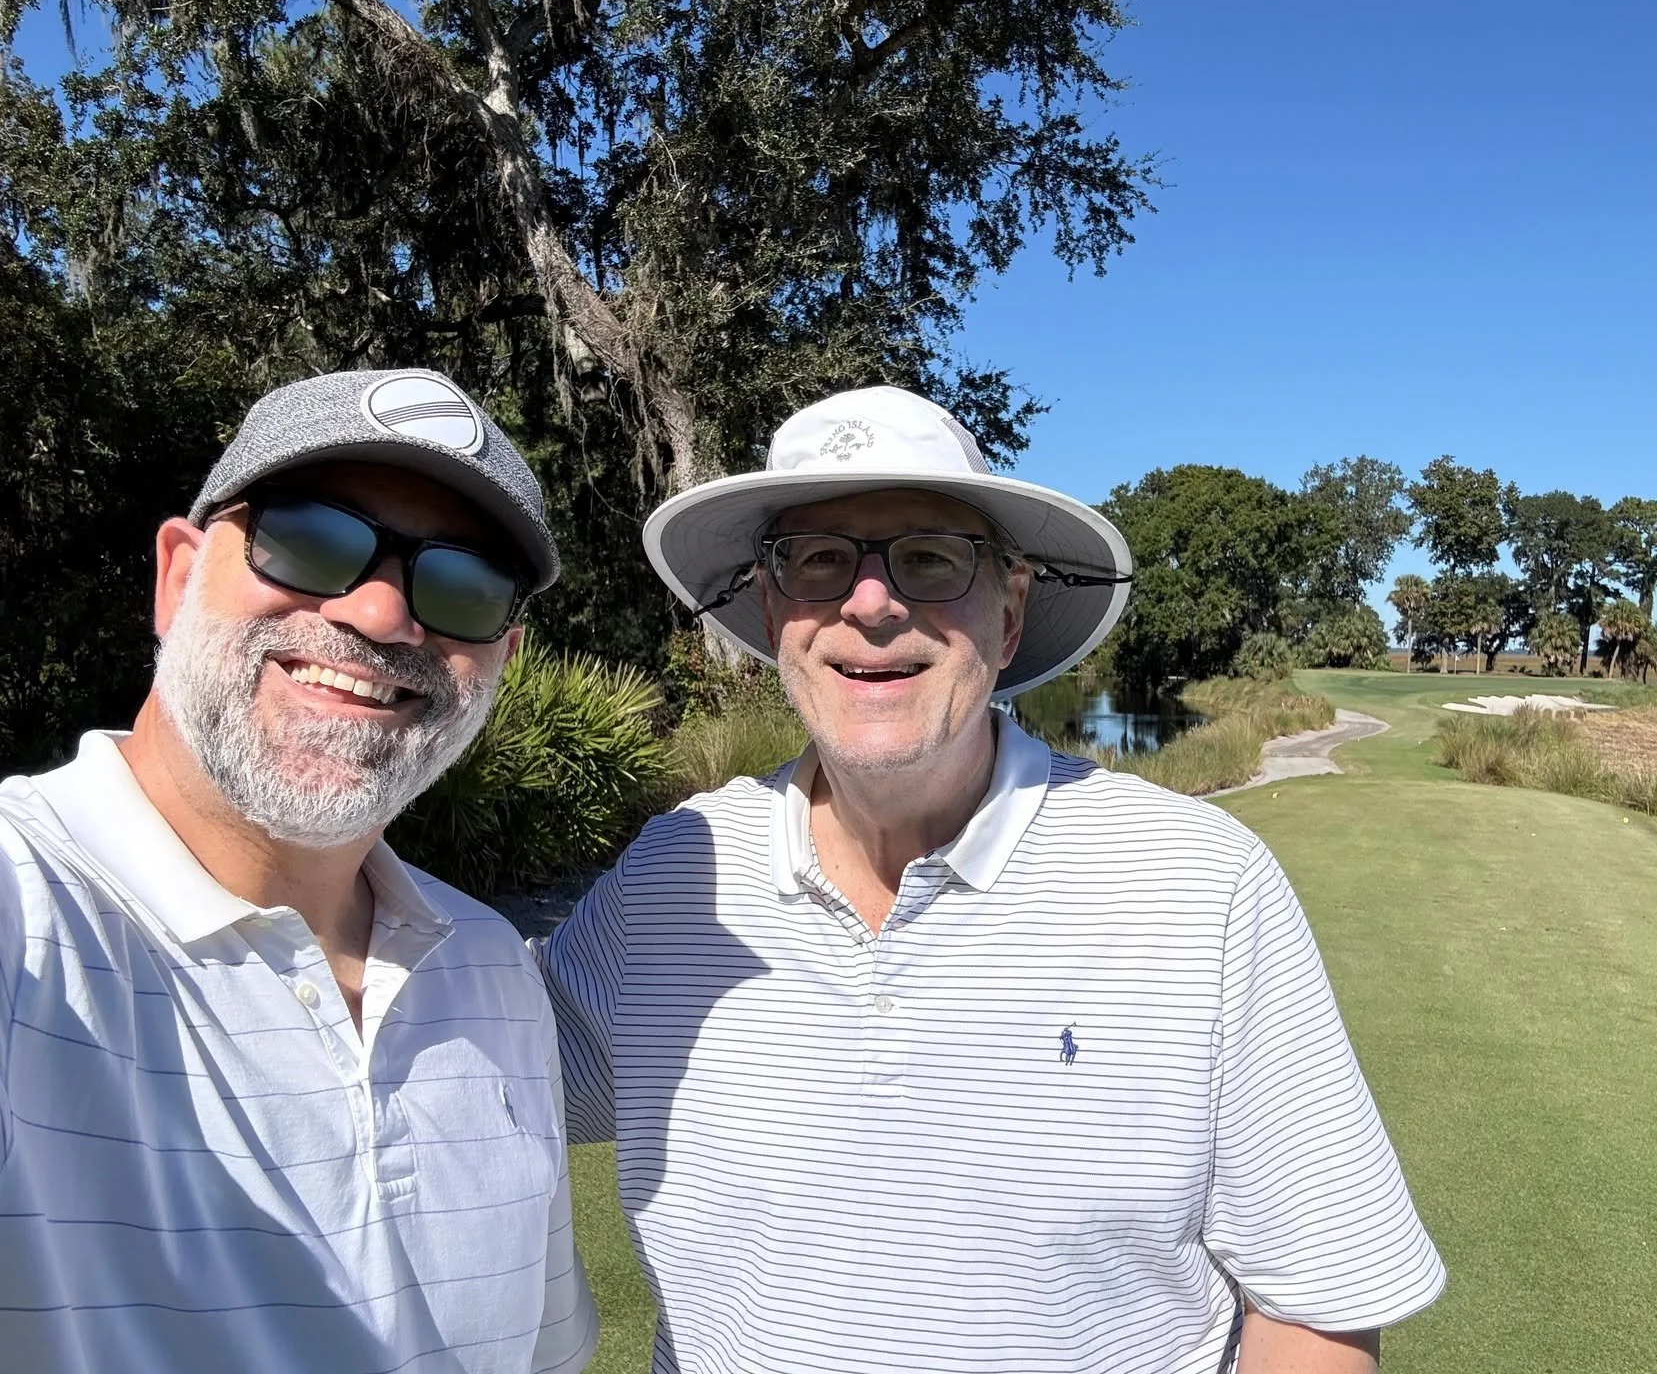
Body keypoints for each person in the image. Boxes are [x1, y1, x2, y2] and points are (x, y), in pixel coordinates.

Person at [537, 385, 1445, 1373]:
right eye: (818, 560)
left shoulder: (1200, 887)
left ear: (1008, 615)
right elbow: (461, 1087)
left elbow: (1317, 1309)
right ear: (772, 609)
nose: (871, 603)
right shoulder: (676, 873)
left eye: (929, 559)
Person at [0, 370, 597, 1372]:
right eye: (311, 539)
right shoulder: (30, 907)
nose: (380, 614)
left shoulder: (491, 972)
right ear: (177, 575)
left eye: (463, 587)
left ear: (504, 651)